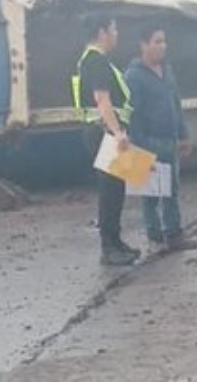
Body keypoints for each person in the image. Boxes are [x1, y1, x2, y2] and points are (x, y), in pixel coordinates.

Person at [73, 13, 141, 265]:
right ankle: (109, 247)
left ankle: (116, 241)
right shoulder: (97, 62)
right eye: (113, 28)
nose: (116, 34)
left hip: (101, 130)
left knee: (117, 188)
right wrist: (117, 133)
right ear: (102, 32)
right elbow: (103, 100)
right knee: (110, 190)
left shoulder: (90, 60)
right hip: (103, 131)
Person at [125, 25, 197, 252]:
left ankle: (174, 234)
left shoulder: (167, 71)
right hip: (148, 141)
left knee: (172, 190)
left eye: (163, 41)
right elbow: (132, 114)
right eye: (157, 41)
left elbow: (175, 103)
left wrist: (184, 134)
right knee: (150, 194)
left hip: (169, 140)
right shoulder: (134, 76)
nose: (162, 46)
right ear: (144, 45)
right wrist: (139, 146)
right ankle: (155, 237)